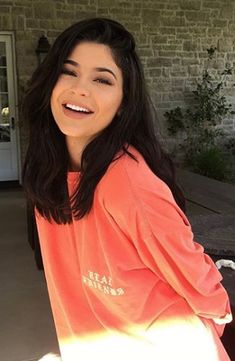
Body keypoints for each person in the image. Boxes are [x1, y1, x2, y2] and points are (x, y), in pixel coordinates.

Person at [22, 17, 232, 361]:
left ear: (123, 104)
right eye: (69, 71)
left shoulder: (127, 180)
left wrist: (219, 313)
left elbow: (195, 276)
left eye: (102, 79)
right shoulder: (50, 168)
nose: (81, 88)